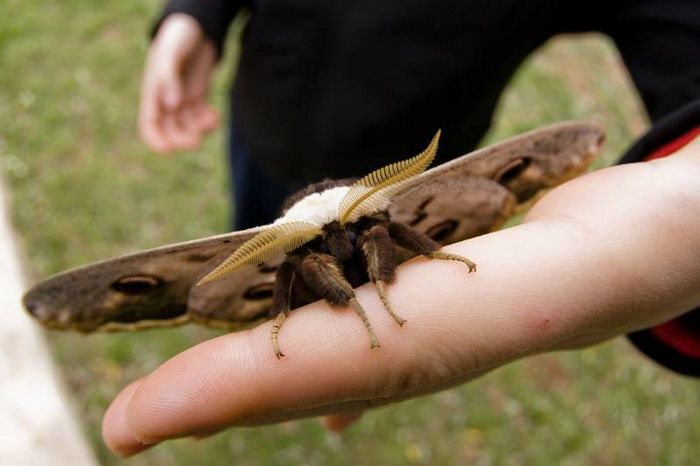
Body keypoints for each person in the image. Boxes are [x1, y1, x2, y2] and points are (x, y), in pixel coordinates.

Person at [108, 0, 699, 457]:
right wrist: (198, 12)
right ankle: (277, 315)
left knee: (376, 243)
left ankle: (366, 306)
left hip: (391, 192)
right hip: (268, 148)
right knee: (277, 258)